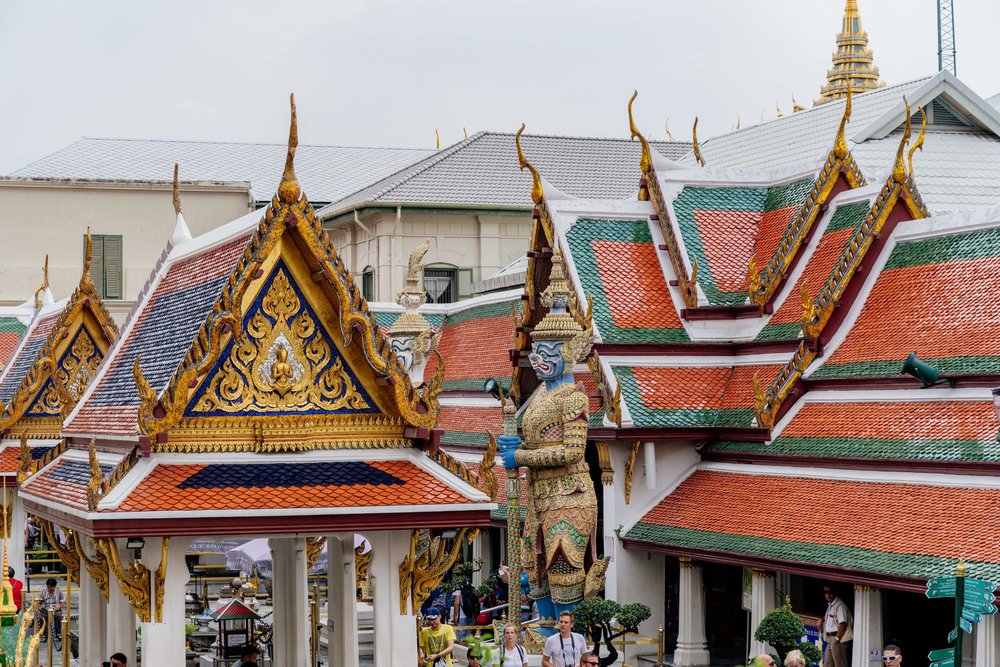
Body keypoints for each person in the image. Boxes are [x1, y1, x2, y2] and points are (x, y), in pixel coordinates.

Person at [820, 583, 853, 667]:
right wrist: (822, 619)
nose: (827, 594)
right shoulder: (831, 604)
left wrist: (837, 639)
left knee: (840, 664)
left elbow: (843, 624)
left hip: (838, 639)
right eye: (825, 592)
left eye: (830, 592)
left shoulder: (840, 605)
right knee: (827, 664)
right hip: (830, 639)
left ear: (836, 592)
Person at [37, 577, 64, 643]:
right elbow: (40, 602)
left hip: (55, 609)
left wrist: (58, 608)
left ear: (54, 586)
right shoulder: (43, 591)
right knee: (41, 617)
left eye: (51, 587)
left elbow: (62, 602)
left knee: (58, 616)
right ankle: (44, 633)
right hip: (45, 609)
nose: (49, 589)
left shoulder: (59, 591)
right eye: (48, 587)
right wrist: (40, 601)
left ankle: (58, 633)